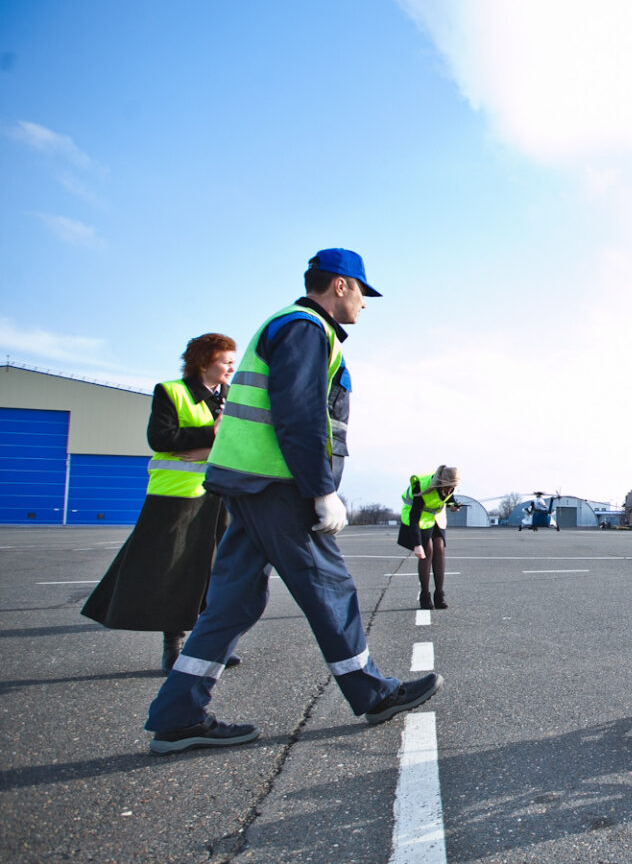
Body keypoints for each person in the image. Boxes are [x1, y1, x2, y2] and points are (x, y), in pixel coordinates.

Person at [143, 248, 442, 754]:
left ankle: (177, 714)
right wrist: (322, 490)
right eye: (363, 292)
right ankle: (371, 694)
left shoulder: (287, 326)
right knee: (330, 588)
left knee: (232, 603)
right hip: (277, 487)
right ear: (342, 285)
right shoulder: (307, 328)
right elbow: (299, 415)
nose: (365, 304)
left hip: (251, 487)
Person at [84, 333, 242, 673]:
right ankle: (174, 646)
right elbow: (160, 438)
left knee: (217, 572)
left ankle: (209, 645)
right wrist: (209, 437)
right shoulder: (171, 391)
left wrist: (209, 449)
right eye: (225, 361)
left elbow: (242, 441)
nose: (232, 367)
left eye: (233, 361)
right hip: (178, 496)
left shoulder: (232, 398)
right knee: (176, 571)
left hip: (221, 495)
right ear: (203, 362)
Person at [399, 465, 461, 609]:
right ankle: (424, 595)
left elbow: (449, 498)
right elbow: (414, 517)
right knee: (428, 550)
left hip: (435, 517)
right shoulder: (421, 486)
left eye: (453, 487)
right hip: (418, 517)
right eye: (447, 487)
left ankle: (439, 595)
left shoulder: (449, 487)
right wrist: (417, 544)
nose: (450, 490)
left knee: (439, 549)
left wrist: (453, 505)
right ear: (440, 483)